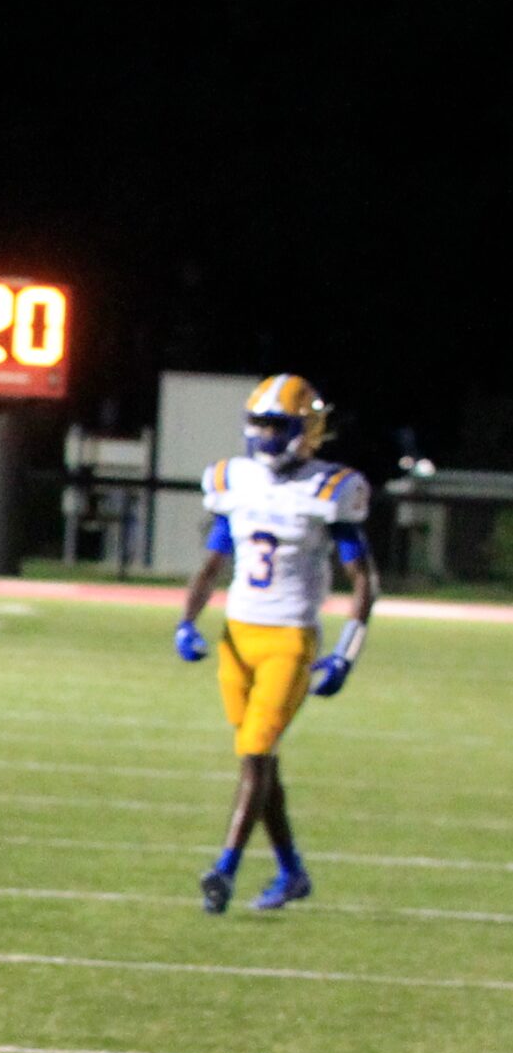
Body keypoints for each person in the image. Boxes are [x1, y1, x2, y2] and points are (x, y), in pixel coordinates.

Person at [176, 374, 378, 913]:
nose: (264, 435)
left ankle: (224, 871)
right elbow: (215, 561)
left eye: (276, 425)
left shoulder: (329, 489)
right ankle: (292, 874)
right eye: (259, 424)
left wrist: (346, 652)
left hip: (290, 638)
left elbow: (364, 580)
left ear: (304, 430)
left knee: (256, 754)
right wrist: (187, 620)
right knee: (258, 765)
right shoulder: (235, 480)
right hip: (236, 638)